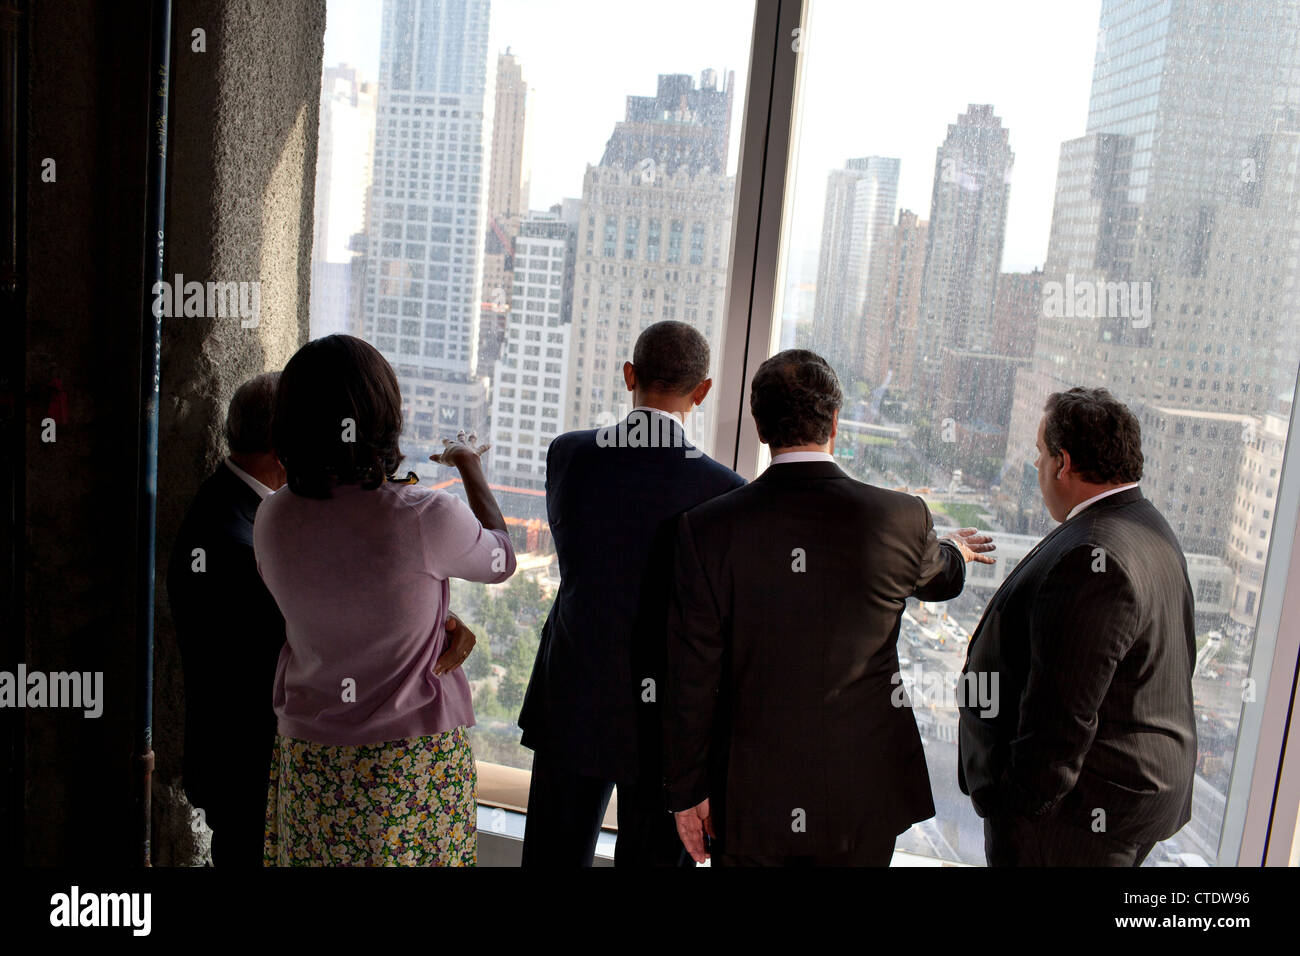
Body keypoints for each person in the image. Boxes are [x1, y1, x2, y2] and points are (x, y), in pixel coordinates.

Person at [665, 349, 995, 866]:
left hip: (750, 790)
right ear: (835, 421)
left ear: (759, 426)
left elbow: (688, 676)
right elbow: (944, 577)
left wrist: (687, 792)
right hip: (862, 786)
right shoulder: (900, 519)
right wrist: (948, 547)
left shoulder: (707, 530)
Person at [254, 334, 515, 866]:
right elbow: (501, 560)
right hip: (405, 765)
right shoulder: (423, 516)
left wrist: (432, 617)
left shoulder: (271, 516)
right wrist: (467, 464)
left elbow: (335, 602)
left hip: (310, 760)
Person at [518, 321, 744, 866]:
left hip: (574, 696)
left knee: (551, 858)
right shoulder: (726, 492)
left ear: (629, 376)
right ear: (703, 392)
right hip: (668, 724)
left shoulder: (568, 454)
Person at [958, 386, 1197, 867]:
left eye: (1040, 454)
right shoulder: (1144, 524)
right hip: (1109, 807)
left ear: (1063, 463)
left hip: (1070, 825)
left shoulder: (1096, 558)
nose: (1036, 466)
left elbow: (1061, 717)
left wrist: (1017, 809)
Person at [167, 373, 286, 867]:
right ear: (284, 444)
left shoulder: (234, 507)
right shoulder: (235, 540)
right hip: (248, 777)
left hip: (238, 770)